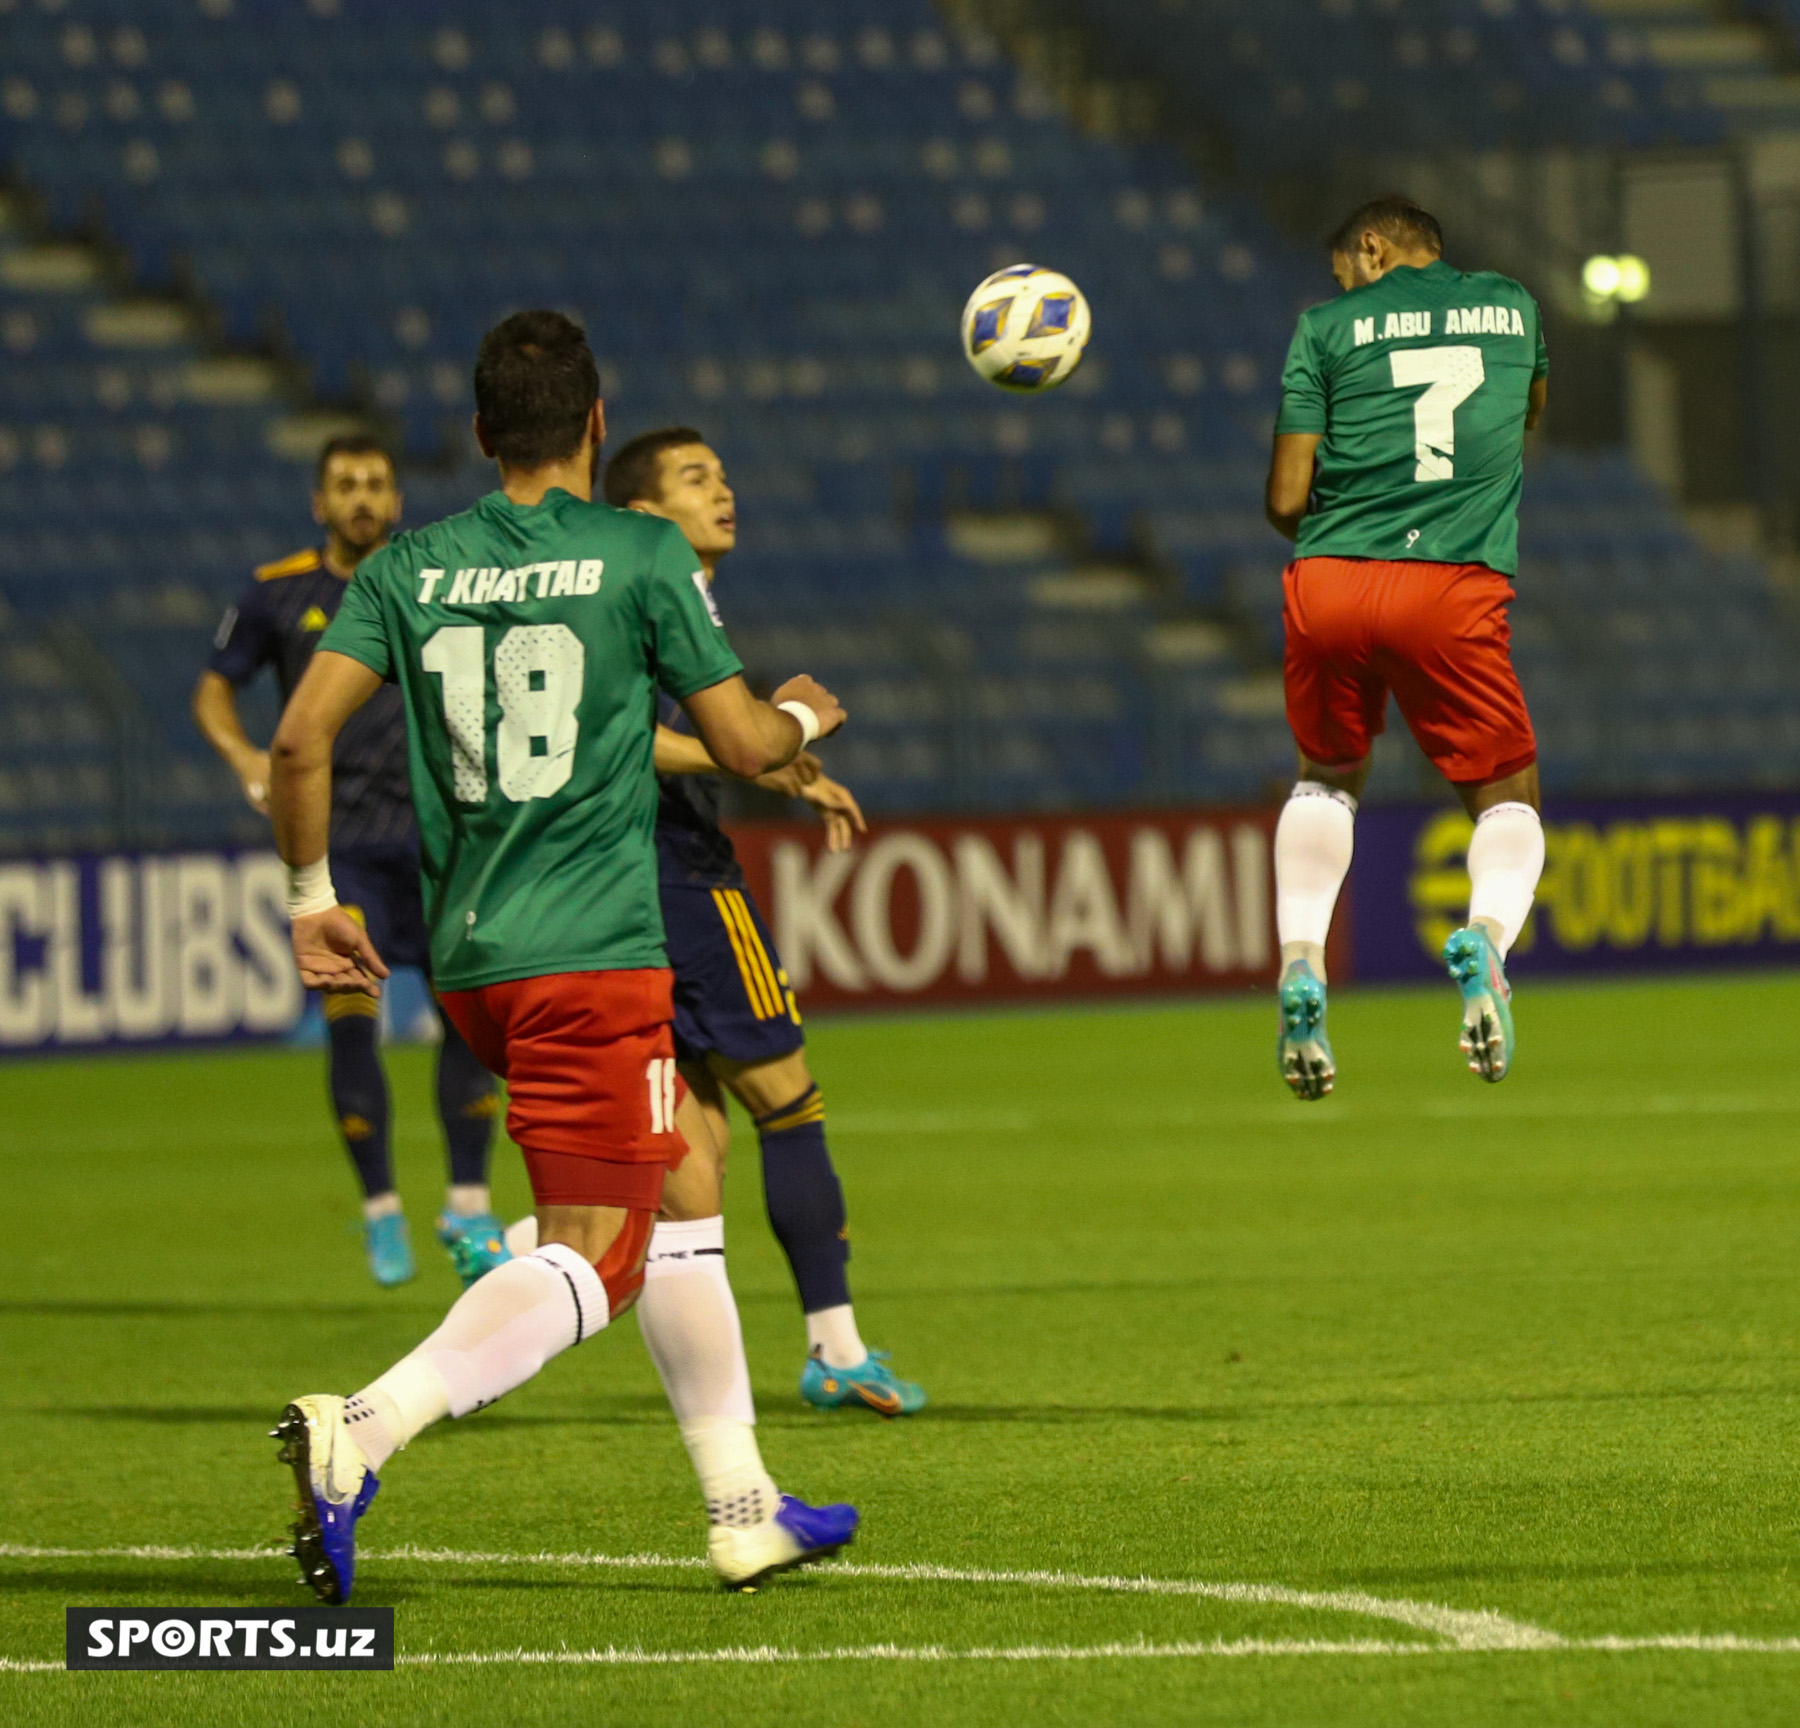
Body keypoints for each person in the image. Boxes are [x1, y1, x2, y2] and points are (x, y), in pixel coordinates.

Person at [266, 309, 859, 1603]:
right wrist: (808, 707)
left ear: (479, 435)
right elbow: (750, 747)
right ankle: (360, 1434)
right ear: (598, 426)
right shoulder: (640, 555)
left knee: (687, 1182)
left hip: (474, 958)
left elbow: (300, 746)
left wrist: (315, 902)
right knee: (601, 1251)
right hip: (594, 958)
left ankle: (744, 1507)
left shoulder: (405, 570)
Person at [499, 428, 925, 1417]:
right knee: (789, 1099)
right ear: (645, 513)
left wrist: (773, 767)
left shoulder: (632, 588)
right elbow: (624, 737)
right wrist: (756, 750)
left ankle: (518, 1260)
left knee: (691, 1156)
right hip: (678, 875)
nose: (724, 491)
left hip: (610, 880)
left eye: (725, 474)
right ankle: (836, 1347)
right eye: (697, 479)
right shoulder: (650, 586)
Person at [192, 436, 503, 1287]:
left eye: (376, 484)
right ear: (318, 504)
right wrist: (248, 757)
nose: (363, 498)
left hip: (446, 841)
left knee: (469, 1020)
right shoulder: (277, 591)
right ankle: (380, 1214)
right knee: (351, 1019)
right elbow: (214, 686)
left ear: (399, 503)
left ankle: (468, 1206)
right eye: (345, 486)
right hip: (345, 852)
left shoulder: (434, 580)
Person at [1264, 196, 1548, 1098]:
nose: (1341, 286)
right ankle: (1488, 948)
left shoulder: (1324, 329)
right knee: (1508, 797)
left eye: (1345, 268)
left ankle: (1301, 962)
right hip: (1453, 584)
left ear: (1373, 248)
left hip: (1333, 578)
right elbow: (1526, 413)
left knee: (1327, 774)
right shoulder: (1514, 306)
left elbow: (1283, 498)